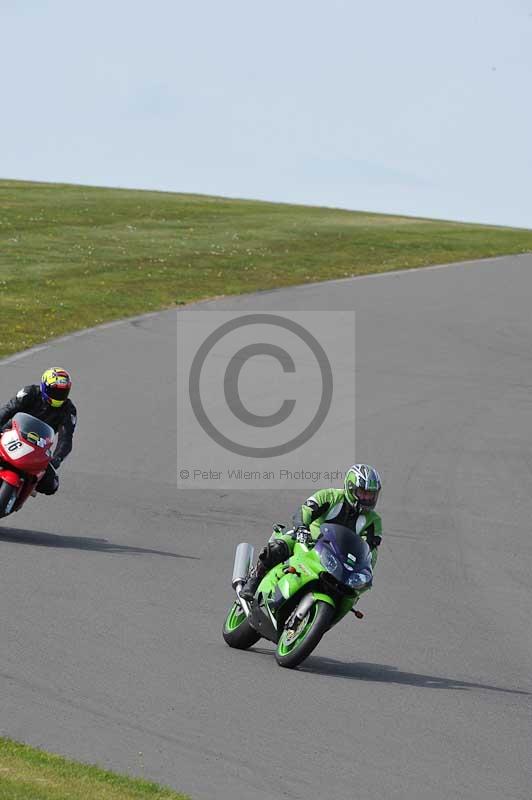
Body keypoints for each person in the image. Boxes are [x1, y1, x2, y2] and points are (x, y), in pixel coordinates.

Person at [241, 464, 383, 600]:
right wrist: (302, 528)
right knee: (278, 547)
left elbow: (371, 551)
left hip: (338, 561)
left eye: (371, 495)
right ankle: (255, 578)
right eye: (363, 493)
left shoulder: (373, 521)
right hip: (308, 542)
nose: (367, 499)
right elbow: (305, 511)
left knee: (349, 594)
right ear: (350, 488)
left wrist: (366, 570)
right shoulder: (329, 496)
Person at [0, 368, 76, 495]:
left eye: (63, 392)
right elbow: (8, 409)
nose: (59, 396)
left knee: (52, 486)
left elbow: (66, 439)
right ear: (44, 387)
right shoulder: (30, 393)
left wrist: (56, 459)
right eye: (55, 391)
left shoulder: (68, 410)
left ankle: (25, 488)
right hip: (12, 434)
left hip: (39, 447)